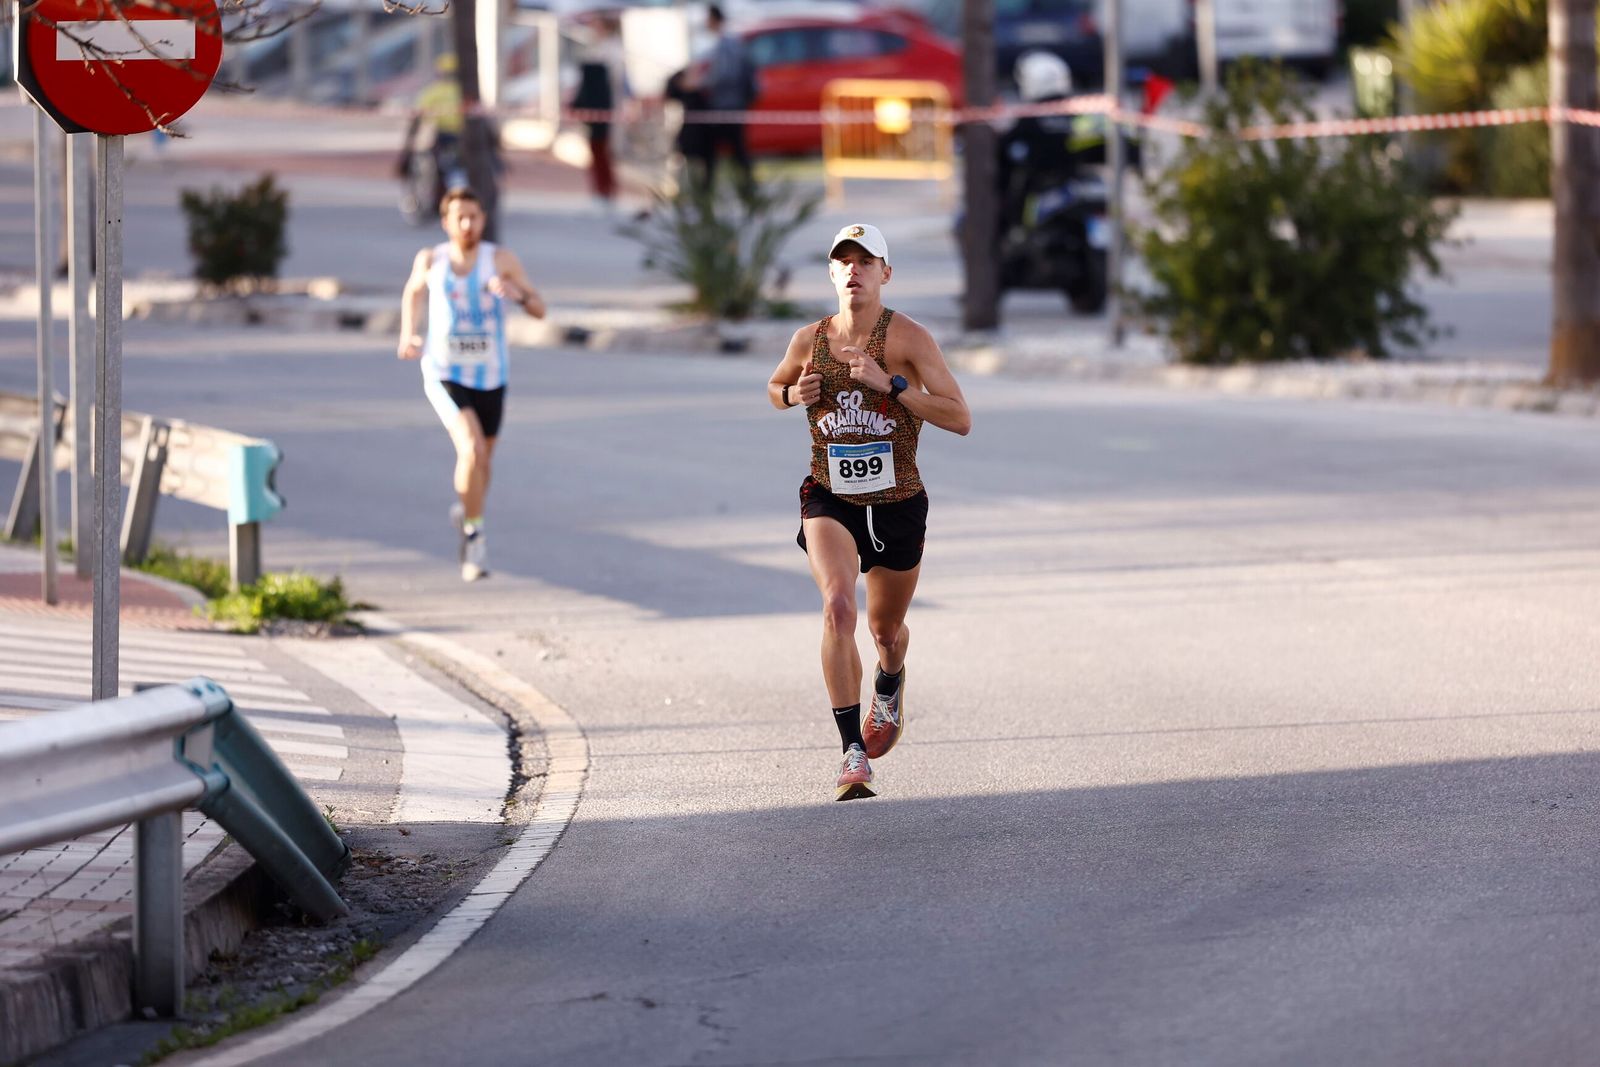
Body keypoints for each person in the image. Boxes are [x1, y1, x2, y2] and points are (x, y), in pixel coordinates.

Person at [767, 223, 972, 801]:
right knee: (838, 607)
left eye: (865, 261)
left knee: (886, 631)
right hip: (829, 497)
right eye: (844, 261)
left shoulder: (908, 338)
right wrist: (793, 395)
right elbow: (774, 387)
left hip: (898, 502)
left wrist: (893, 385)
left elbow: (960, 417)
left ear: (886, 273)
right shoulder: (809, 339)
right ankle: (851, 751)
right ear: (832, 273)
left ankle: (889, 682)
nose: (853, 270)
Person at [397, 186, 546, 581]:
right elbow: (413, 292)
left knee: (483, 463)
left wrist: (517, 294)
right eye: (459, 217)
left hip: (491, 375)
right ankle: (474, 539)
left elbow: (539, 309)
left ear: (483, 219)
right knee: (471, 448)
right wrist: (409, 333)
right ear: (445, 222)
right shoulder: (431, 259)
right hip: (444, 372)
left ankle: (468, 511)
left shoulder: (500, 260)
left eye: (474, 217)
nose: (467, 224)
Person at [572, 15, 629, 214]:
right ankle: (599, 190)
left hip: (606, 107)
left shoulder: (613, 49)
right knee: (595, 149)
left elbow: (614, 81)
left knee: (604, 150)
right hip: (592, 107)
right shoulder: (593, 48)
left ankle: (607, 191)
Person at [400, 54, 467, 216]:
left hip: (443, 137)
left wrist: (408, 144)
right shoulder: (465, 92)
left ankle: (436, 200)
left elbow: (417, 118)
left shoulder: (433, 92)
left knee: (433, 168)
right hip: (464, 138)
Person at [699, 3, 756, 191]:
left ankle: (743, 187)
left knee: (725, 148)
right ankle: (746, 187)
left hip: (727, 104)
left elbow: (725, 74)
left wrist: (701, 83)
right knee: (734, 148)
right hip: (731, 103)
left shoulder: (726, 43)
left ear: (714, 19)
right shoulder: (728, 41)